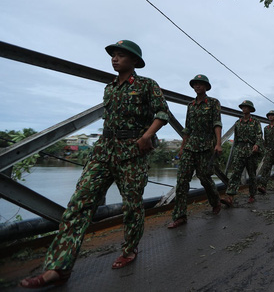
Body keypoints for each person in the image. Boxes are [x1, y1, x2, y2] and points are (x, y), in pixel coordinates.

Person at [19, 40, 169, 289]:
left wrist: (145, 137)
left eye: (121, 56)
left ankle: (130, 249)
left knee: (132, 205)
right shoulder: (109, 88)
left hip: (132, 152)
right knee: (79, 204)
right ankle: (59, 267)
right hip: (103, 151)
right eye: (113, 55)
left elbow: (162, 113)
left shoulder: (146, 85)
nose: (115, 59)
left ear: (134, 61)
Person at [167, 75, 226, 229]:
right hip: (190, 146)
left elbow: (217, 123)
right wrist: (182, 147)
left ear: (206, 87)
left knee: (204, 178)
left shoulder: (213, 103)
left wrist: (218, 143)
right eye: (195, 84)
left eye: (201, 84)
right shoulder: (191, 105)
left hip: (206, 146)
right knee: (182, 180)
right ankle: (180, 216)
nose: (198, 86)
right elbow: (187, 128)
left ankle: (215, 202)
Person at [224, 100, 264, 204]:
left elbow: (259, 135)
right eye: (243, 107)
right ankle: (230, 196)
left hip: (251, 150)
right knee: (235, 173)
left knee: (252, 174)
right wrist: (235, 150)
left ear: (250, 109)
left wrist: (257, 145)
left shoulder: (255, 122)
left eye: (246, 107)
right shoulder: (238, 123)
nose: (244, 109)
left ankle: (252, 194)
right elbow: (236, 139)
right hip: (240, 150)